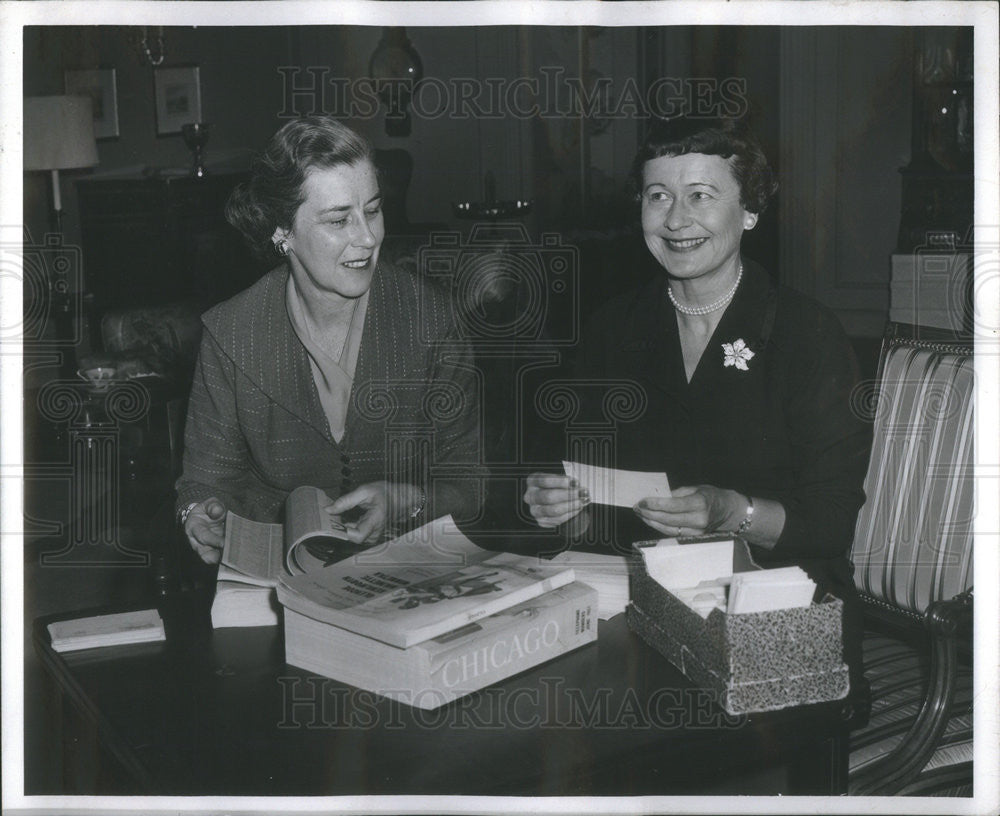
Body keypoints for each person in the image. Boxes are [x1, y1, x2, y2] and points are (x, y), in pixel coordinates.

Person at [523, 117, 871, 686]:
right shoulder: (612, 329)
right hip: (644, 611)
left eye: (701, 196)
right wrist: (564, 508)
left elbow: (832, 523)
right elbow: (594, 514)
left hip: (779, 618)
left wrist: (732, 512)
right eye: (658, 195)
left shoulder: (807, 334)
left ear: (750, 212)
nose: (677, 219)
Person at [177, 116, 484, 562]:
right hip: (277, 576)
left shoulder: (432, 320)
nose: (367, 237)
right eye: (339, 220)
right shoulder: (231, 335)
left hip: (408, 568)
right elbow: (205, 483)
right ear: (283, 232)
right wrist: (198, 514)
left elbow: (470, 485)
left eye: (373, 210)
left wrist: (410, 501)